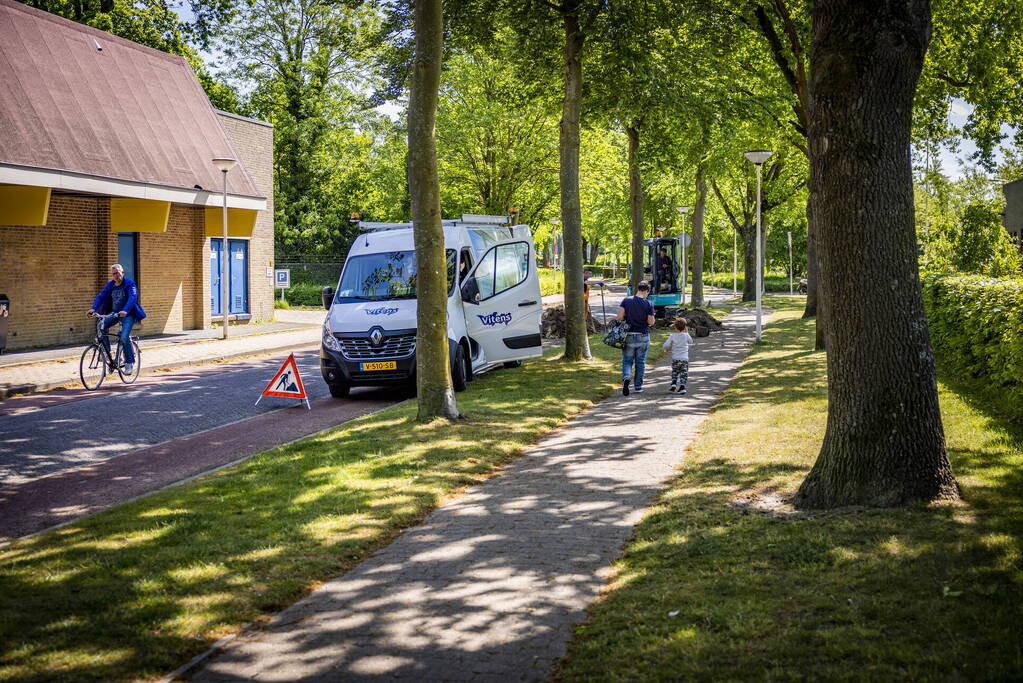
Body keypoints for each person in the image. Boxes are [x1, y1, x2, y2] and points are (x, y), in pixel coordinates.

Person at [88, 264, 147, 374]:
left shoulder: (129, 283)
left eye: (117, 273)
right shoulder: (110, 284)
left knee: (124, 337)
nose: (115, 275)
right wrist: (93, 308)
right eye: (113, 273)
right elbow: (101, 296)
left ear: (122, 273)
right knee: (101, 325)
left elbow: (133, 297)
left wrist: (125, 310)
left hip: (128, 314)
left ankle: (129, 363)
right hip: (115, 313)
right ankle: (107, 353)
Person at [617, 280, 655, 395]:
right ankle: (638, 386)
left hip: (628, 335)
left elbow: (619, 317)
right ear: (647, 291)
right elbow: (651, 321)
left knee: (627, 360)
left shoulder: (626, 300)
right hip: (643, 335)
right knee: (640, 362)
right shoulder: (648, 304)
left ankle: (627, 377)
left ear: (638, 289)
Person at [662, 317, 695, 394]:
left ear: (675, 327)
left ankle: (673, 383)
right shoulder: (686, 335)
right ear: (685, 327)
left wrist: (664, 349)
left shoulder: (672, 335)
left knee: (675, 371)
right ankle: (682, 387)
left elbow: (665, 344)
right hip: (684, 359)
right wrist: (687, 333)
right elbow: (691, 342)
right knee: (684, 373)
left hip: (675, 358)